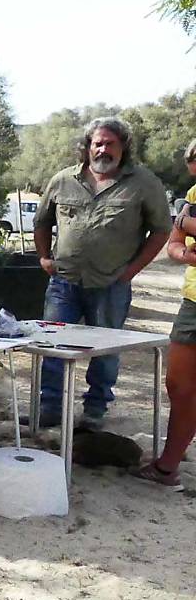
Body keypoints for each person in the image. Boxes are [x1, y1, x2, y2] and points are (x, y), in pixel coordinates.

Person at [31, 117, 172, 430]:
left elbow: (161, 231)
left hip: (111, 283)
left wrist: (130, 272)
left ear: (123, 147)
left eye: (110, 143)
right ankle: (50, 407)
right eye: (98, 143)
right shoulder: (63, 179)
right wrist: (43, 257)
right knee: (51, 344)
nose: (103, 149)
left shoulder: (143, 183)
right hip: (63, 282)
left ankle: (94, 411)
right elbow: (42, 221)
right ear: (87, 146)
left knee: (106, 350)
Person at [134, 138, 196, 490]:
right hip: (193, 301)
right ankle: (167, 467)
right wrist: (184, 251)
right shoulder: (193, 195)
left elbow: (185, 226)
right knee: (180, 386)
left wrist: (189, 225)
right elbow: (173, 242)